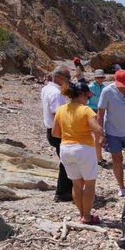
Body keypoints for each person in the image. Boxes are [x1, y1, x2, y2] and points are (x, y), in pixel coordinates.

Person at [52, 82, 104, 225]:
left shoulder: (61, 110)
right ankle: (87, 217)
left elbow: (55, 133)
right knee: (89, 184)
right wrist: (102, 135)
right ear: (82, 95)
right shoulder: (86, 110)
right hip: (84, 149)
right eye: (87, 96)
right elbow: (97, 129)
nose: (88, 99)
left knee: (76, 184)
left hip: (66, 149)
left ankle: (82, 214)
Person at [40, 65, 73, 202]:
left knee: (65, 160)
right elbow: (59, 114)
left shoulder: (46, 88)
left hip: (52, 130)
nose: (69, 81)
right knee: (67, 162)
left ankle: (65, 190)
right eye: (67, 77)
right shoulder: (56, 93)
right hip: (59, 131)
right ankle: (62, 192)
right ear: (59, 77)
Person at [88, 69, 107, 167]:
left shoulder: (105, 88)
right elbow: (86, 101)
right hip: (92, 112)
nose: (100, 79)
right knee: (97, 135)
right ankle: (98, 158)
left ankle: (98, 156)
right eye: (98, 77)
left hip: (101, 112)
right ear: (95, 78)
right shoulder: (90, 87)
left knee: (98, 135)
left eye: (102, 77)